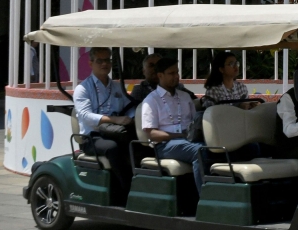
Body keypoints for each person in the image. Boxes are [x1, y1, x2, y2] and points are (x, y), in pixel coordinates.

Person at [73, 48, 136, 198]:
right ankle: (126, 190)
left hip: (114, 131)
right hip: (92, 137)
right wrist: (115, 119)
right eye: (99, 61)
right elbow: (85, 116)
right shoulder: (83, 89)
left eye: (107, 60)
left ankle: (142, 184)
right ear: (90, 63)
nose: (104, 64)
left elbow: (129, 106)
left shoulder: (115, 87)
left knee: (137, 142)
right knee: (112, 148)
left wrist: (134, 118)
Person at [141, 57, 206, 193]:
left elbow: (195, 122)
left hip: (188, 140)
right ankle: (205, 198)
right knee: (200, 151)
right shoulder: (151, 100)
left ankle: (199, 196)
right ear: (160, 75)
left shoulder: (185, 97)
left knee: (211, 149)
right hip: (165, 145)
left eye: (177, 72)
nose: (176, 76)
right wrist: (179, 135)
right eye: (171, 73)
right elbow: (152, 134)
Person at [130, 53, 199, 106]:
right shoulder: (139, 90)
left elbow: (194, 101)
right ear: (143, 71)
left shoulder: (177, 87)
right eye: (151, 65)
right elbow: (137, 114)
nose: (155, 68)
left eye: (158, 65)